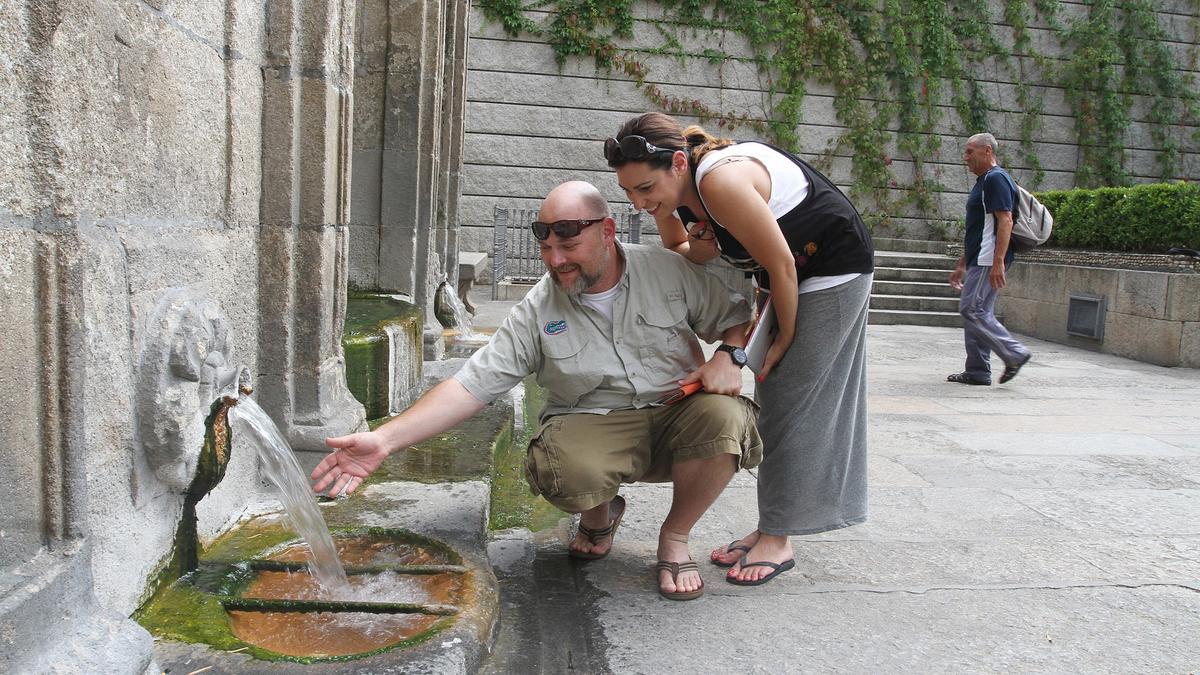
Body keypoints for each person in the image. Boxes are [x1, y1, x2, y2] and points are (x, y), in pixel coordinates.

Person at [312, 181, 762, 601]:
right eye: (546, 248)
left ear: (607, 232)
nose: (555, 260)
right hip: (592, 424)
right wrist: (385, 440)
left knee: (728, 417)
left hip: (675, 412)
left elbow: (737, 314)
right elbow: (472, 385)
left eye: (569, 246)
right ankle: (598, 518)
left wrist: (730, 354)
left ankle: (676, 536)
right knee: (560, 467)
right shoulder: (538, 308)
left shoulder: (666, 270)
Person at [604, 112, 874, 586]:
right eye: (628, 192)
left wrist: (783, 337)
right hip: (790, 277)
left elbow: (783, 264)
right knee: (775, 403)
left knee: (794, 400)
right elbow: (686, 253)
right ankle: (772, 525)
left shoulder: (721, 180)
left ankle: (779, 538)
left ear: (680, 164)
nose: (638, 201)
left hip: (830, 270)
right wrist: (664, 208)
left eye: (645, 188)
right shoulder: (688, 193)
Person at [947, 132, 1032, 386]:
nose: (966, 157)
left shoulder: (995, 179)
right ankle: (978, 370)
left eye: (970, 151)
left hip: (988, 259)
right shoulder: (984, 181)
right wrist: (962, 264)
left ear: (987, 151)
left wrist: (998, 262)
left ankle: (1015, 353)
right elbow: (978, 228)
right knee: (979, 312)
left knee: (972, 309)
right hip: (979, 258)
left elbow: (1005, 220)